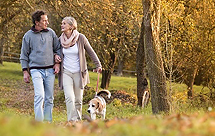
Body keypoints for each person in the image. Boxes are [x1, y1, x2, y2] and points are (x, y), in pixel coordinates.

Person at [55, 16, 102, 123]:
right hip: (66, 72)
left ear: (71, 26)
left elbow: (91, 51)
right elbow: (55, 51)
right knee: (69, 98)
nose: (61, 25)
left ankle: (78, 121)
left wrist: (98, 65)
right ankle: (71, 121)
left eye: (64, 23)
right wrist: (55, 56)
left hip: (79, 73)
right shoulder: (60, 40)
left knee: (78, 100)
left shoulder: (81, 38)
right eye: (62, 23)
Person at [20, 10, 61, 122]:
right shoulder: (28, 36)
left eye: (47, 20)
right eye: (44, 20)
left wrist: (57, 63)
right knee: (40, 95)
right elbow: (24, 55)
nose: (47, 22)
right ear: (37, 22)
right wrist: (25, 71)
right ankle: (38, 123)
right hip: (35, 70)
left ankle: (47, 122)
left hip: (50, 70)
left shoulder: (51, 33)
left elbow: (58, 48)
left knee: (49, 98)